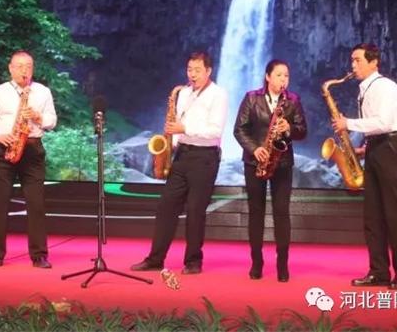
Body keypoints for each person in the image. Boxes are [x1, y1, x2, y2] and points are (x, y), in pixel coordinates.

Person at [131, 51, 228, 275]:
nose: (192, 75)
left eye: (197, 70)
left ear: (208, 71)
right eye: (189, 70)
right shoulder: (182, 93)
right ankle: (155, 258)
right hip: (182, 154)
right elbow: (178, 122)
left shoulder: (218, 95)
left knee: (195, 210)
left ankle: (193, 261)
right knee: (166, 207)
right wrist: (170, 145)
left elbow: (215, 131)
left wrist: (184, 128)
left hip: (205, 157)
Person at [332, 43, 397, 290]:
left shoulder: (385, 86)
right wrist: (364, 148)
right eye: (352, 60)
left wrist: (348, 123)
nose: (353, 65)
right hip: (377, 147)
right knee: (373, 215)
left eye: (358, 60)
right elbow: (376, 128)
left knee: (394, 214)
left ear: (373, 62)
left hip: (392, 148)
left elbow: (384, 122)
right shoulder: (365, 89)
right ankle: (378, 271)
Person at [0, 50, 57, 268]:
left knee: (36, 203)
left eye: (29, 66)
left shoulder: (42, 92)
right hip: (5, 148)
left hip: (32, 149)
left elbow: (52, 121)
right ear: (10, 68)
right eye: (20, 66)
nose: (25, 71)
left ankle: (39, 255)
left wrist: (38, 117)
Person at [233, 59, 307, 282]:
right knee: (256, 212)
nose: (283, 79)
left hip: (282, 163)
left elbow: (303, 131)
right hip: (255, 162)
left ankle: (282, 265)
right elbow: (239, 129)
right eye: (279, 75)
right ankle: (257, 262)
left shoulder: (293, 100)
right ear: (267, 76)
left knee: (281, 213)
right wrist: (255, 149)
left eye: (286, 76)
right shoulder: (251, 98)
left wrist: (289, 128)